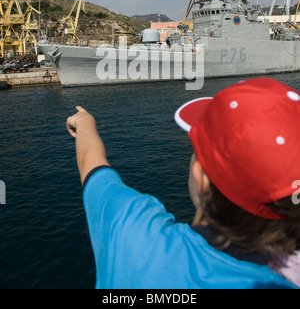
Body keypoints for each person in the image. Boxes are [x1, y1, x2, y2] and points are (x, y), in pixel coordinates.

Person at [67, 77, 300, 289]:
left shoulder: (133, 231)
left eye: (196, 150)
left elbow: (92, 164)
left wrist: (85, 122)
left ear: (201, 180)